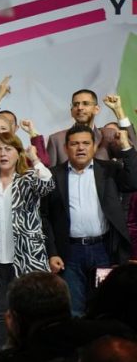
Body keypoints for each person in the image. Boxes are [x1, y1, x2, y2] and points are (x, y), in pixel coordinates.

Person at [0, 131, 55, 357]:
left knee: (32, 316)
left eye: (8, 149)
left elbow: (47, 185)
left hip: (28, 261)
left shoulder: (28, 180)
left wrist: (34, 158)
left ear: (18, 153)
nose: (3, 154)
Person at [43, 125, 137, 316]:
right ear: (66, 148)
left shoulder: (109, 169)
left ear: (94, 146)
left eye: (86, 143)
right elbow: (44, 216)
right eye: (75, 144)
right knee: (74, 311)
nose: (80, 148)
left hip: (104, 249)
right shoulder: (53, 175)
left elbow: (133, 181)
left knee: (104, 309)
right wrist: (52, 253)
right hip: (69, 253)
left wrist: (126, 146)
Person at [0, 272, 134, 362]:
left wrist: (13, 342)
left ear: (15, 318)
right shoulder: (116, 334)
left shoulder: (17, 357)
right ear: (66, 301)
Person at [46, 91, 136, 166]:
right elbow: (49, 177)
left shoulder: (108, 135)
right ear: (71, 111)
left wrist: (118, 111)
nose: (80, 107)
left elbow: (133, 155)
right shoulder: (57, 140)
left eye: (86, 104)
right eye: (76, 104)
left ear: (96, 109)